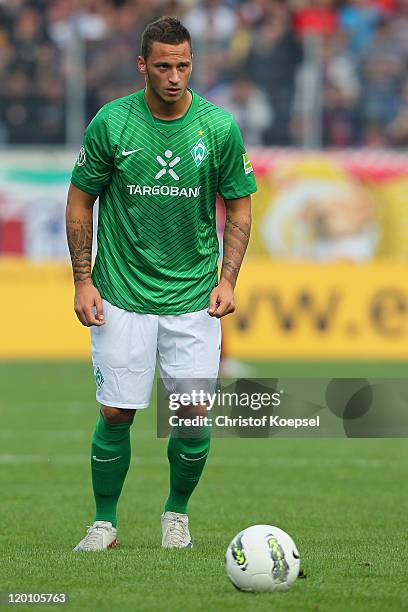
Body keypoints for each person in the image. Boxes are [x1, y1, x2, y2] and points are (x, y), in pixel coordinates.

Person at [65, 16, 257, 551]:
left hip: (194, 294)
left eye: (184, 65)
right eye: (165, 65)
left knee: (193, 416)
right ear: (142, 65)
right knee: (116, 412)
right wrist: (83, 281)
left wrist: (228, 278)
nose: (175, 76)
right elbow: (81, 199)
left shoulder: (217, 128)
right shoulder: (112, 122)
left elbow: (239, 208)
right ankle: (104, 522)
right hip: (121, 292)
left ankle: (177, 513)